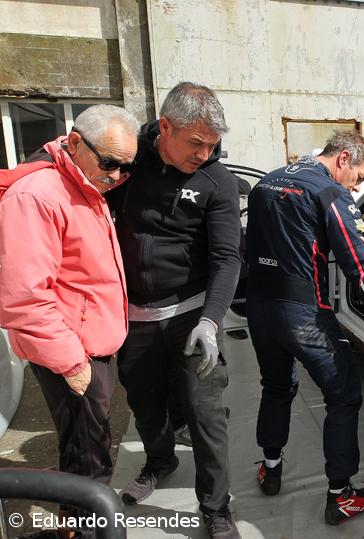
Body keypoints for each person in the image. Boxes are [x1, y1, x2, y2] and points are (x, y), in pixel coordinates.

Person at [246, 130, 364, 525]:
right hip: (304, 315)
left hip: (260, 310)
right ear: (343, 158)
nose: (358, 185)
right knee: (345, 394)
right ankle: (340, 495)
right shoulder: (330, 194)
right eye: (360, 176)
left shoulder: (267, 181)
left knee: (277, 386)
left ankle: (270, 467)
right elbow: (361, 268)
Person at [109, 82, 241, 539]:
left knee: (205, 416)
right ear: (165, 127)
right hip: (134, 317)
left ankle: (216, 508)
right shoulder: (129, 160)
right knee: (145, 405)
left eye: (213, 144)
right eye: (196, 143)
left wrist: (211, 319)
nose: (205, 153)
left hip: (191, 316)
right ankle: (159, 461)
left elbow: (227, 258)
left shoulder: (216, 182)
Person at [0, 105, 138, 538]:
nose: (117, 175)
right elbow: (23, 298)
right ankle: (86, 531)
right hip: (72, 355)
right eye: (110, 163)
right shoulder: (38, 195)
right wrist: (72, 362)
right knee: (86, 458)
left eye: (126, 167)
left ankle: (82, 526)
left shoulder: (82, 181)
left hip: (88, 347)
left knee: (90, 447)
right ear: (75, 142)